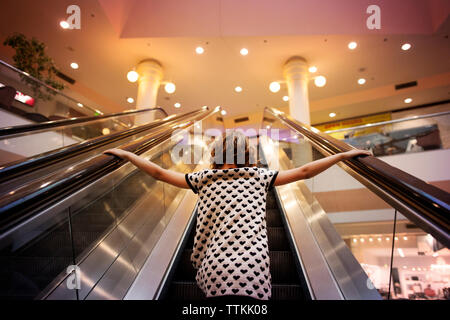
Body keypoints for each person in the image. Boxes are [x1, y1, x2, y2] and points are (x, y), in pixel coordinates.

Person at [103, 131, 371, 300]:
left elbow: (159, 173)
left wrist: (128, 155)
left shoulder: (203, 178)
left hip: (215, 265)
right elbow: (305, 172)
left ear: (216, 154)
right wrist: (342, 156)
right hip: (252, 266)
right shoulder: (259, 176)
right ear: (247, 154)